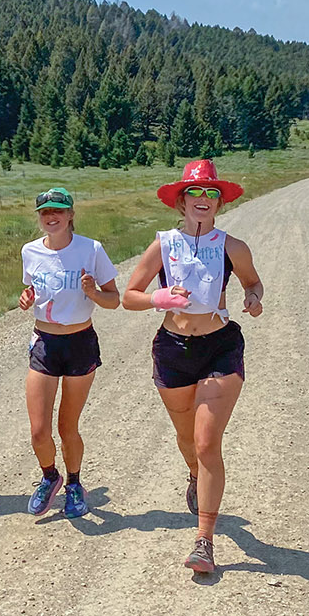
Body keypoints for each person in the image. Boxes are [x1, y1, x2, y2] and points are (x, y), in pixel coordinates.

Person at [122, 160, 263, 575]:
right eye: (195, 193)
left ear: (220, 202)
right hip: (173, 349)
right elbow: (129, 296)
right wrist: (158, 299)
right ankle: (193, 475)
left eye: (211, 193)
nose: (203, 199)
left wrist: (253, 298)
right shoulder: (163, 245)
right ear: (181, 202)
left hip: (220, 347)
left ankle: (204, 541)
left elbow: (253, 282)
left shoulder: (233, 247)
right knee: (187, 439)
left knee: (206, 443)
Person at [18, 186, 120, 519]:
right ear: (39, 217)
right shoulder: (30, 251)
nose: (52, 217)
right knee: (38, 431)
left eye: (58, 211)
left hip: (79, 342)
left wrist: (94, 292)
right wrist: (27, 298)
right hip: (44, 343)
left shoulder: (91, 249)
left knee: (67, 427)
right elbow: (34, 289)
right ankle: (50, 476)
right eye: (45, 211)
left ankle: (74, 483)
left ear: (70, 215)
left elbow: (114, 299)